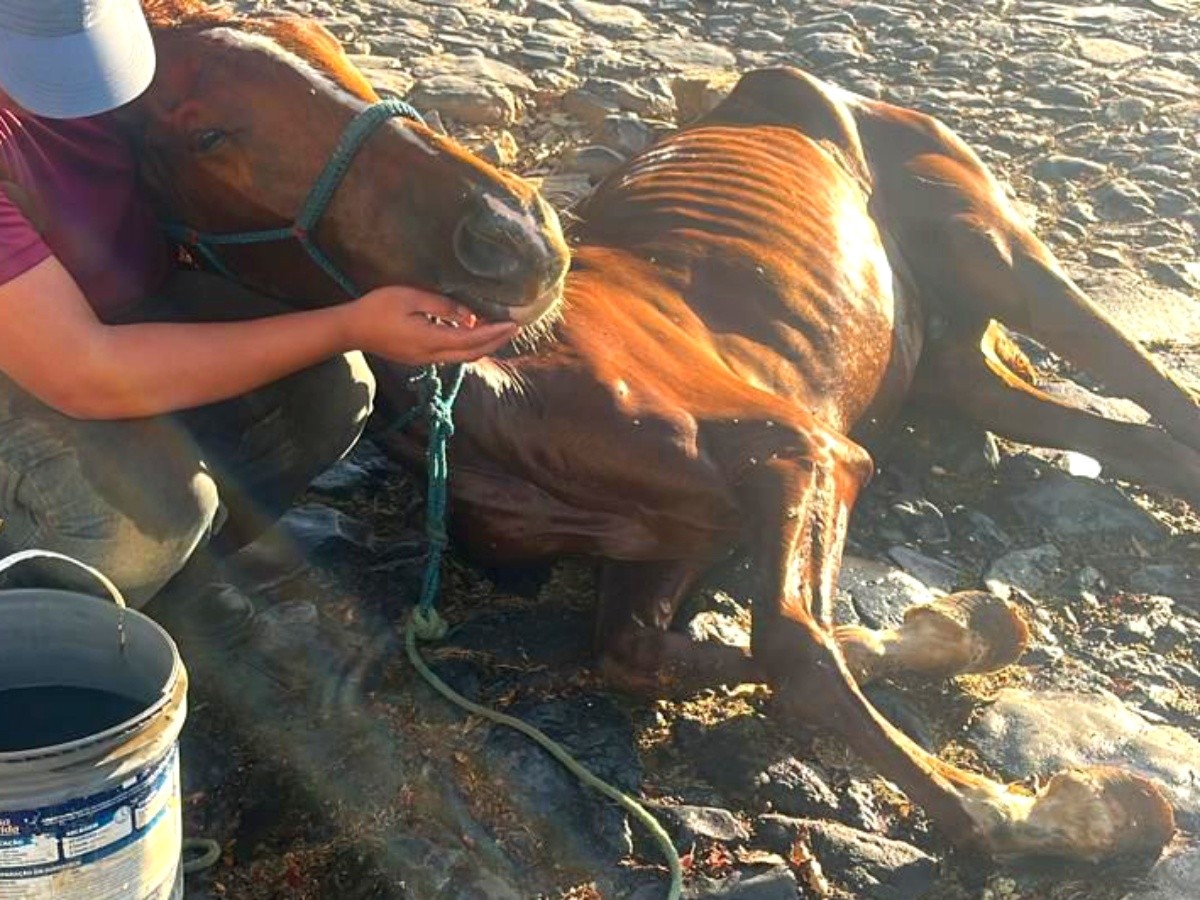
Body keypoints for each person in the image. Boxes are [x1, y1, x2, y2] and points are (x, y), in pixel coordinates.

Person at [0, 0, 516, 683]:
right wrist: (350, 321)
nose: (83, 90)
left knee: (331, 391)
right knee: (154, 516)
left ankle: (187, 580)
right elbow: (81, 372)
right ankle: (48, 653)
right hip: (36, 358)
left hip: (127, 302)